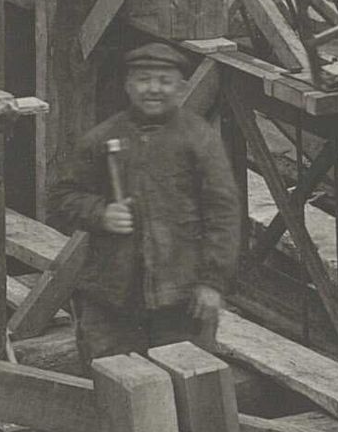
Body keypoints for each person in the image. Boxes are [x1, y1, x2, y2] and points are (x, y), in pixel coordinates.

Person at [54, 41, 241, 364]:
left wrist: (212, 284)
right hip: (112, 297)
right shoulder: (101, 138)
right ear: (128, 85)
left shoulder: (199, 139)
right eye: (143, 80)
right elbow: (61, 197)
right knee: (113, 385)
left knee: (190, 387)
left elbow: (223, 215)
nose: (153, 89)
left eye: (164, 81)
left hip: (181, 299)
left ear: (180, 88)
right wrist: (100, 213)